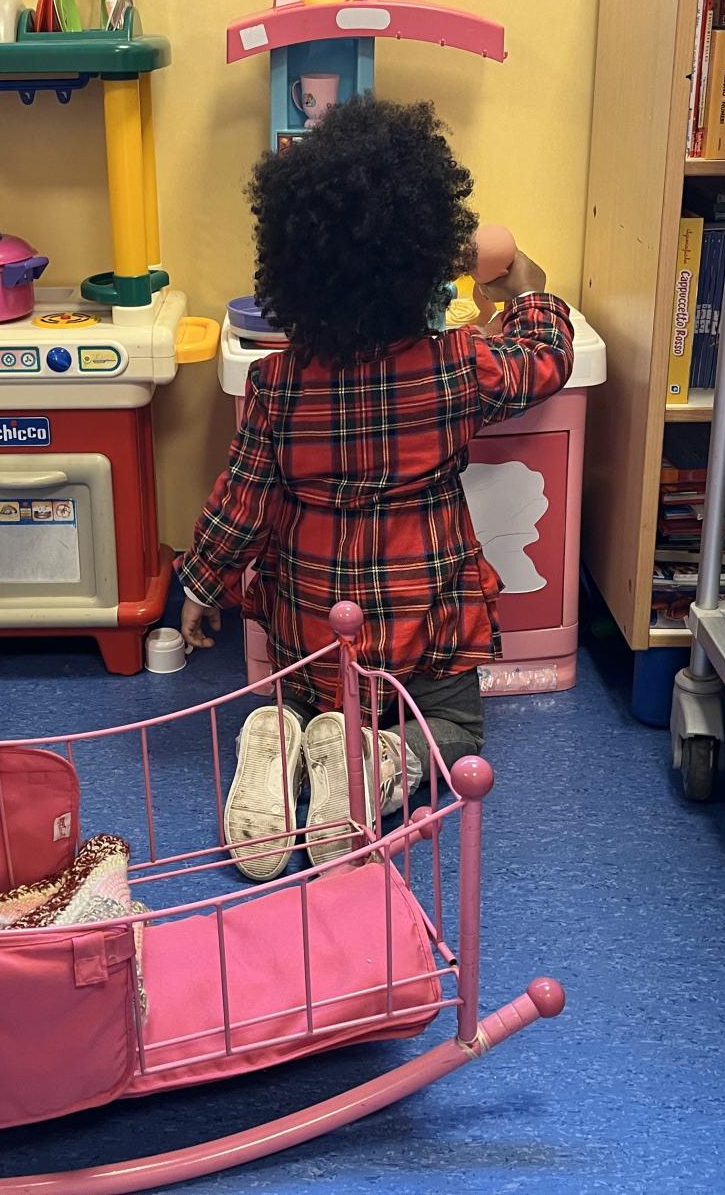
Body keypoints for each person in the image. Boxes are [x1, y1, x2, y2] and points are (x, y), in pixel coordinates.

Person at [175, 96, 576, 880]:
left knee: (300, 691)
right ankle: (381, 758)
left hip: (313, 630)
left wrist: (199, 585)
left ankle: (282, 732)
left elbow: (240, 506)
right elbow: (545, 358)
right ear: (427, 261)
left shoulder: (276, 384)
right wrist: (529, 291)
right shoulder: (458, 365)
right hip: (424, 627)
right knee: (458, 727)